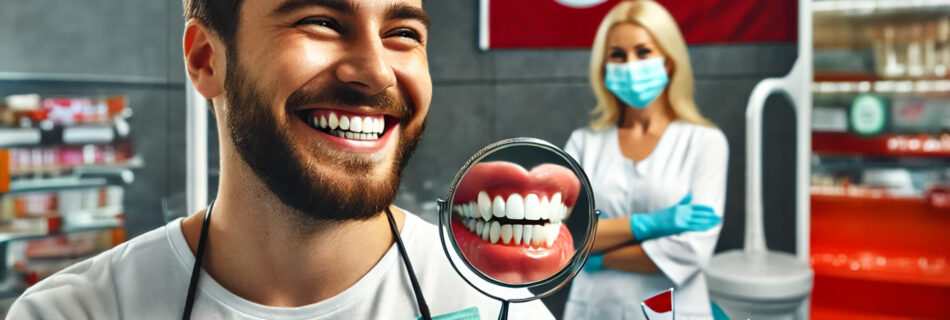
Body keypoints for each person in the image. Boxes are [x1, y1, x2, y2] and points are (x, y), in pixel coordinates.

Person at [8, 0, 553, 319]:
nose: (377, 71)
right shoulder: (77, 313)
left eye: (402, 33)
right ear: (205, 60)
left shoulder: (496, 306)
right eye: (320, 20)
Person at [562, 1, 728, 319]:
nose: (631, 65)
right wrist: (651, 226)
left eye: (643, 52)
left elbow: (692, 251)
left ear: (668, 60)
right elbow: (565, 236)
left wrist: (598, 252)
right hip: (595, 308)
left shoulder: (705, 142)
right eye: (618, 56)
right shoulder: (583, 143)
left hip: (677, 309)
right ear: (604, 66)